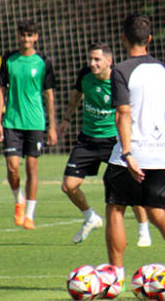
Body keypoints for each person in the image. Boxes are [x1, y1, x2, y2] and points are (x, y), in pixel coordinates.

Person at [103, 13, 165, 275]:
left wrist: (127, 153)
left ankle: (117, 275)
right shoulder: (164, 70)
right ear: (150, 39)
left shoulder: (121, 70)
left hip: (130, 154)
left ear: (123, 38)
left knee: (116, 209)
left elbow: (123, 114)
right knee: (157, 213)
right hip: (159, 154)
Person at [58, 42, 151, 246]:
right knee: (68, 185)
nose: (92, 63)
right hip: (88, 139)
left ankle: (144, 230)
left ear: (109, 61)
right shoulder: (85, 75)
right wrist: (66, 119)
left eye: (97, 59)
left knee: (129, 186)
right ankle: (90, 217)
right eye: (90, 59)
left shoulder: (120, 79)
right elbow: (76, 96)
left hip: (114, 140)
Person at [0, 20, 57, 229]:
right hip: (12, 121)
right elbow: (1, 90)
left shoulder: (43, 62)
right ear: (19, 37)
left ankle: (29, 215)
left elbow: (49, 94)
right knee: (12, 168)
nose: (26, 39)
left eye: (30, 35)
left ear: (36, 38)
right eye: (23, 35)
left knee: (32, 168)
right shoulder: (9, 60)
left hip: (35, 122)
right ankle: (18, 200)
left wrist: (52, 126)